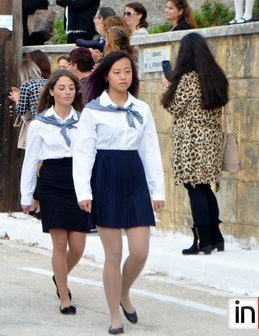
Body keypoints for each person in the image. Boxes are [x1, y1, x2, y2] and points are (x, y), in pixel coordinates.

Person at [74, 52, 165, 334]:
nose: (123, 77)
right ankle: (115, 314)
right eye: (117, 72)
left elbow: (151, 151)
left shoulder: (142, 109)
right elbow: (83, 154)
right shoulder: (92, 111)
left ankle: (123, 292)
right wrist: (83, 191)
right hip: (105, 177)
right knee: (113, 254)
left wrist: (157, 190)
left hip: (134, 177)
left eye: (127, 72)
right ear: (106, 76)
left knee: (140, 252)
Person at [20, 70, 91, 316]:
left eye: (71, 87)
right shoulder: (40, 123)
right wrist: (26, 195)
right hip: (52, 181)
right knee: (59, 244)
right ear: (51, 91)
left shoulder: (84, 120)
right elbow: (31, 160)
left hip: (78, 181)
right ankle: (64, 296)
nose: (67, 92)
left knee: (79, 246)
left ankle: (59, 275)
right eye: (61, 88)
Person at [160, 33, 230, 255]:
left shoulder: (188, 79)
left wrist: (167, 85)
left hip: (192, 142)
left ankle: (202, 241)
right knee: (204, 187)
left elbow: (173, 107)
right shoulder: (215, 76)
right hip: (211, 140)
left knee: (194, 187)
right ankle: (216, 237)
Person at [9, 59, 47, 150]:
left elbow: (21, 111)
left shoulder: (26, 85)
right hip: (50, 121)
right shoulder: (47, 82)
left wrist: (17, 98)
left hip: (37, 123)